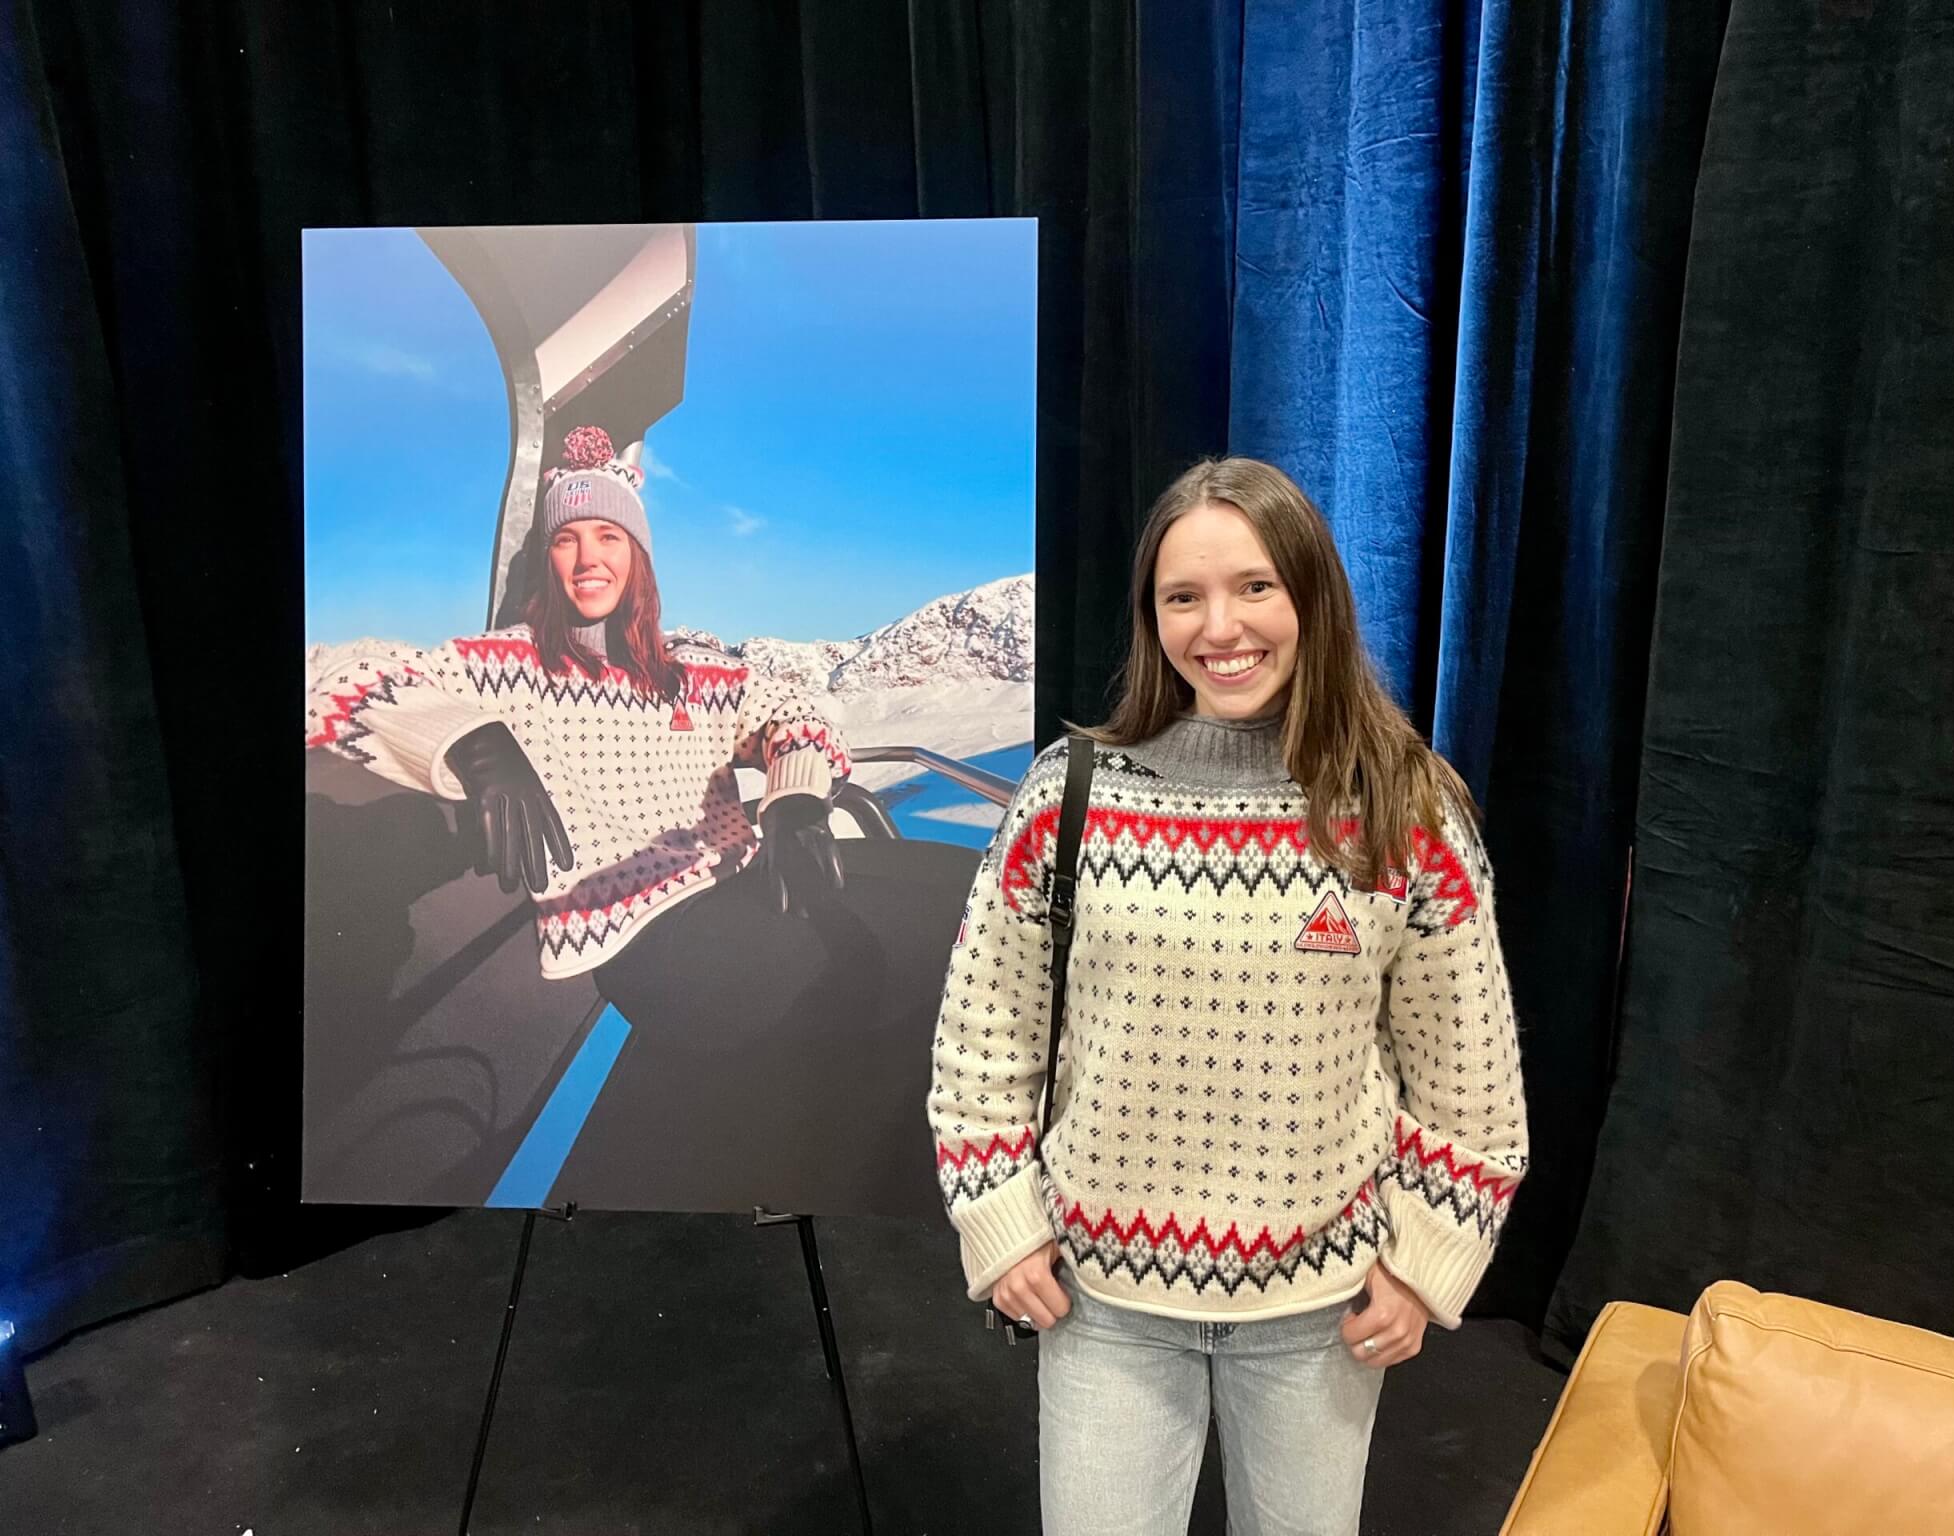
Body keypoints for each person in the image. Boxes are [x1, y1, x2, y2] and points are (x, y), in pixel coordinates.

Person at [927, 456, 1530, 1534]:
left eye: (1254, 586)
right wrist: (1002, 1225)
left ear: (1310, 596)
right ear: (1150, 616)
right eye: (1183, 596)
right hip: (1103, 1307)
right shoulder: (1067, 799)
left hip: (1322, 1313)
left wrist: (1422, 1265)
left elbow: (1468, 1076)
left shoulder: (1402, 809)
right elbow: (982, 1039)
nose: (1221, 626)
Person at [304, 423, 851, 984]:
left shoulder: (693, 670)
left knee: (867, 955)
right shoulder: (509, 665)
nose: (588, 557)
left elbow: (795, 715)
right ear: (550, 560)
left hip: (744, 886)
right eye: (566, 540)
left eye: (608, 535)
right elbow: (337, 683)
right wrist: (468, 739)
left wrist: (796, 798)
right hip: (630, 938)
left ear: (638, 555)